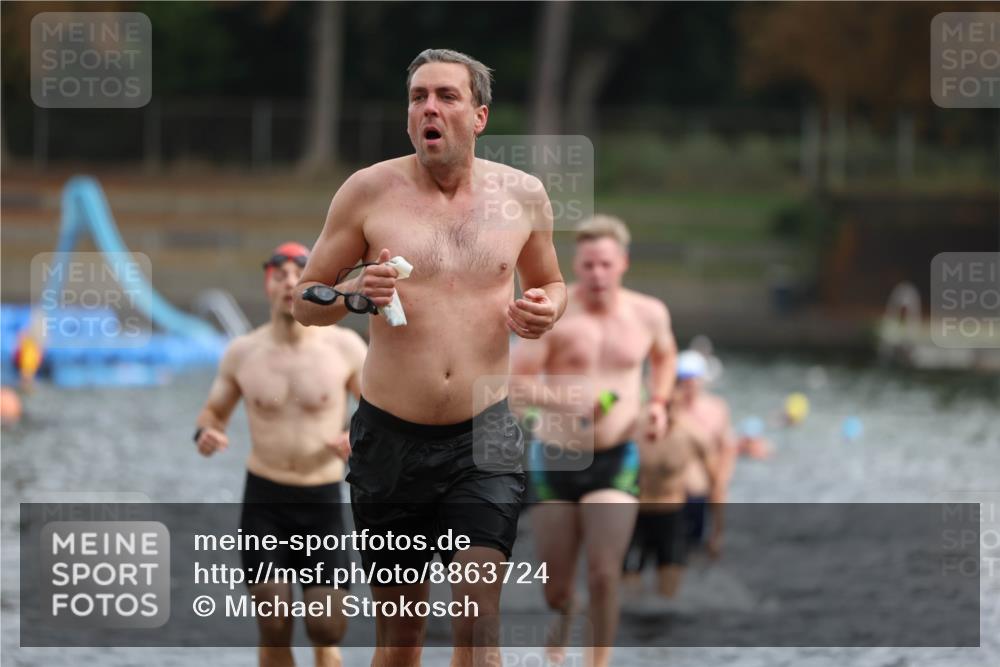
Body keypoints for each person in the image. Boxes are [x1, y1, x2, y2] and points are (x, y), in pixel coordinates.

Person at [292, 49, 566, 667]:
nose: (429, 108)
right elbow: (306, 302)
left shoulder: (523, 196)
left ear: (479, 116)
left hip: (484, 434)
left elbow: (552, 281)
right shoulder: (367, 192)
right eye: (418, 97)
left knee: (477, 621)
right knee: (402, 637)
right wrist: (353, 294)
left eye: (445, 96)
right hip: (390, 439)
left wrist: (548, 308)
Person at [509, 214, 677, 667]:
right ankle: (567, 612)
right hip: (556, 459)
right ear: (576, 266)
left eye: (605, 264)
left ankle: (595, 663)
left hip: (617, 457)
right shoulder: (557, 316)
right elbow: (517, 384)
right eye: (588, 266)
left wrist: (659, 404)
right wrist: (570, 401)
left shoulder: (649, 313)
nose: (597, 274)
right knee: (557, 587)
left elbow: (664, 358)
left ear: (622, 262)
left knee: (605, 573)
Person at [194, 242, 367, 667]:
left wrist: (354, 437)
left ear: (315, 285)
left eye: (299, 273)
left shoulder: (344, 347)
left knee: (326, 627)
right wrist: (207, 432)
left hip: (321, 499)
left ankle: (327, 650)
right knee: (273, 623)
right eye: (279, 274)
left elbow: (377, 412)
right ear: (267, 283)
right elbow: (213, 411)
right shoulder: (243, 353)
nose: (289, 282)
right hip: (265, 500)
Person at [622, 396, 718, 599]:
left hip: (671, 517)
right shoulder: (631, 430)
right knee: (628, 593)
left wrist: (717, 531)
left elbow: (714, 483)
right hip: (634, 517)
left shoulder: (691, 435)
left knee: (668, 597)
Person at [676, 350, 732, 557]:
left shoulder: (716, 408)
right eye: (683, 380)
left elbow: (727, 449)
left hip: (704, 485)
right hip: (675, 490)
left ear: (701, 380)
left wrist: (722, 480)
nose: (689, 385)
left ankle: (716, 537)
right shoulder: (672, 409)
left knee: (700, 547)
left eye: (692, 379)